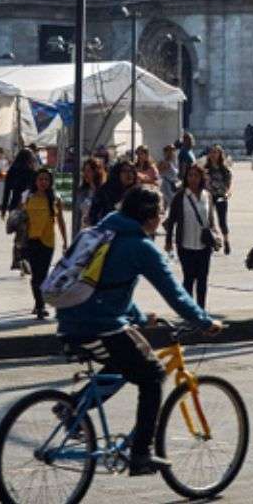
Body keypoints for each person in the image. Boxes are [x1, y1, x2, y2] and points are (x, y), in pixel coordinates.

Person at [57, 186, 222, 477]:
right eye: (160, 213)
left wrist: (140, 317)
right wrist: (203, 321)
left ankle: (75, 408)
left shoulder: (101, 232)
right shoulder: (139, 246)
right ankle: (141, 455)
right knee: (153, 375)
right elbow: (176, 293)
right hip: (99, 325)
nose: (161, 219)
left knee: (124, 363)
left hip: (71, 320)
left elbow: (107, 287)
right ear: (148, 217)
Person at [164, 163, 221, 308]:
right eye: (190, 175)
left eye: (196, 175)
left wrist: (217, 234)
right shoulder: (180, 196)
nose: (193, 179)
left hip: (204, 245)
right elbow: (171, 220)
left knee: (202, 279)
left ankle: (201, 310)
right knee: (188, 279)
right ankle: (189, 310)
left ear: (202, 177)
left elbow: (211, 220)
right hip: (185, 244)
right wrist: (168, 240)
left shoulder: (207, 196)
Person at [16, 168, 66, 317]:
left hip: (47, 241)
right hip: (30, 241)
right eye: (40, 179)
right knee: (36, 275)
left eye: (46, 179)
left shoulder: (56, 198)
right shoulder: (27, 197)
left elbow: (61, 221)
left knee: (42, 274)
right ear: (35, 181)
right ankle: (39, 304)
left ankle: (40, 305)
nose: (43, 182)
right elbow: (20, 219)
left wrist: (65, 240)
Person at [204, 146, 233, 254]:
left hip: (220, 196)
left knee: (222, 220)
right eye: (212, 152)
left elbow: (229, 183)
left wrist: (228, 192)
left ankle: (226, 241)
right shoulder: (206, 169)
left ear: (220, 154)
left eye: (216, 152)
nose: (214, 154)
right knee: (208, 221)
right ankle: (212, 242)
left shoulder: (224, 169)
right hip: (208, 197)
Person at [2, 144, 38, 219]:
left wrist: (4, 209)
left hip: (15, 205)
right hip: (29, 205)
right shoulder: (32, 172)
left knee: (17, 227)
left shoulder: (12, 170)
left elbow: (7, 191)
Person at [79, 158, 110, 227]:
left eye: (89, 171)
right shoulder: (83, 190)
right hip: (86, 229)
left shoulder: (105, 191)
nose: (85, 173)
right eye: (84, 170)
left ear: (97, 172)